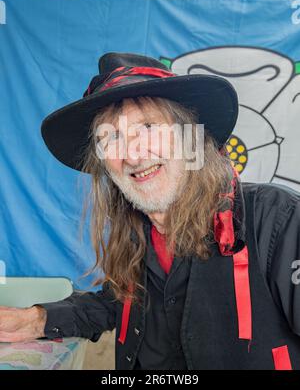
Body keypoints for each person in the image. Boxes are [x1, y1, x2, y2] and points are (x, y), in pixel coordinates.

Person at [0, 52, 300, 370]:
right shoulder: (138, 230)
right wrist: (38, 319)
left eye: (148, 127)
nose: (131, 154)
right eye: (110, 137)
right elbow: (121, 302)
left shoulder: (276, 220)